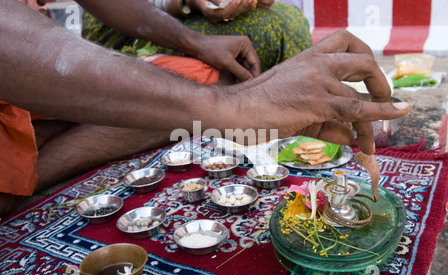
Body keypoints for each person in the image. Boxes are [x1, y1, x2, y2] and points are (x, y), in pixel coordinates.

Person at [0, 0, 410, 219]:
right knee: (203, 96)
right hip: (27, 56)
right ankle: (27, 164)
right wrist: (227, 106)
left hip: (32, 72)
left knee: (203, 79)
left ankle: (34, 153)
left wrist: (197, 43)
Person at [80, 0, 312, 75]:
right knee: (264, 29)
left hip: (191, 14)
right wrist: (188, 2)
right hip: (127, 29)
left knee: (291, 17)